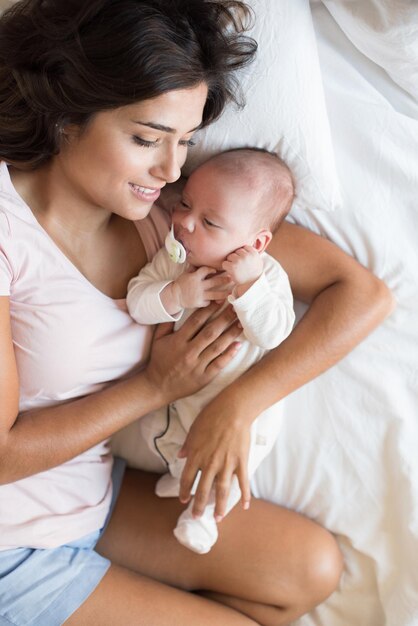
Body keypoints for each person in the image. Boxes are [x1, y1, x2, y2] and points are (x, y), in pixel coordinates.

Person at [0, 0, 394, 625]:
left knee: (308, 568)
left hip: (88, 501)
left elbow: (360, 294)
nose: (173, 169)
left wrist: (240, 406)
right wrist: (155, 385)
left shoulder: (174, 219)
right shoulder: (6, 233)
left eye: (184, 140)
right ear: (65, 114)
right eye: (146, 140)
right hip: (10, 547)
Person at [126, 147, 296, 554]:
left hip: (240, 404)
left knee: (231, 461)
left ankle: (204, 518)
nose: (183, 221)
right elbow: (137, 301)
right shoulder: (175, 261)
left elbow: (274, 333)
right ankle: (179, 476)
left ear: (255, 242)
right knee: (173, 437)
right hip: (184, 393)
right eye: (185, 203)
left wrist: (249, 288)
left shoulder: (268, 275)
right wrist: (175, 293)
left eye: (209, 222)